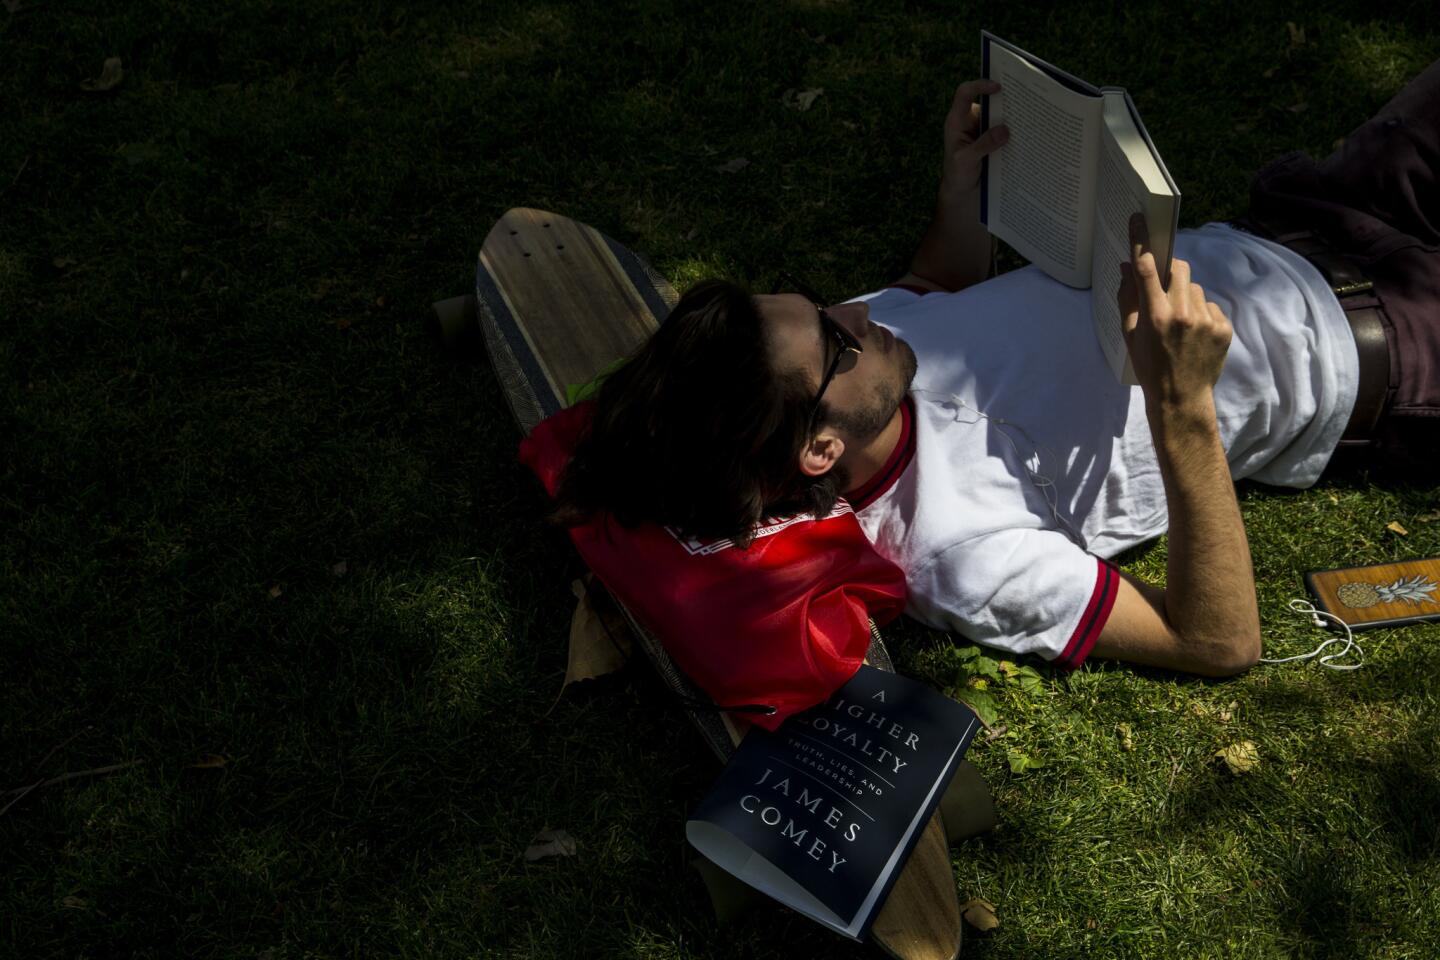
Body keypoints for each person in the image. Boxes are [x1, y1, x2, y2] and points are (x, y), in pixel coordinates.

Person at [533, 62, 1439, 693]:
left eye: (820, 300)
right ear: (820, 450)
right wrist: (1183, 402)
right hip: (1382, 350)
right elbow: (1217, 642)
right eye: (837, 338)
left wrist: (958, 198)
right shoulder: (963, 558)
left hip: (1306, 221)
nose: (859, 312)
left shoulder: (847, 364)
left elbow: (928, 291)